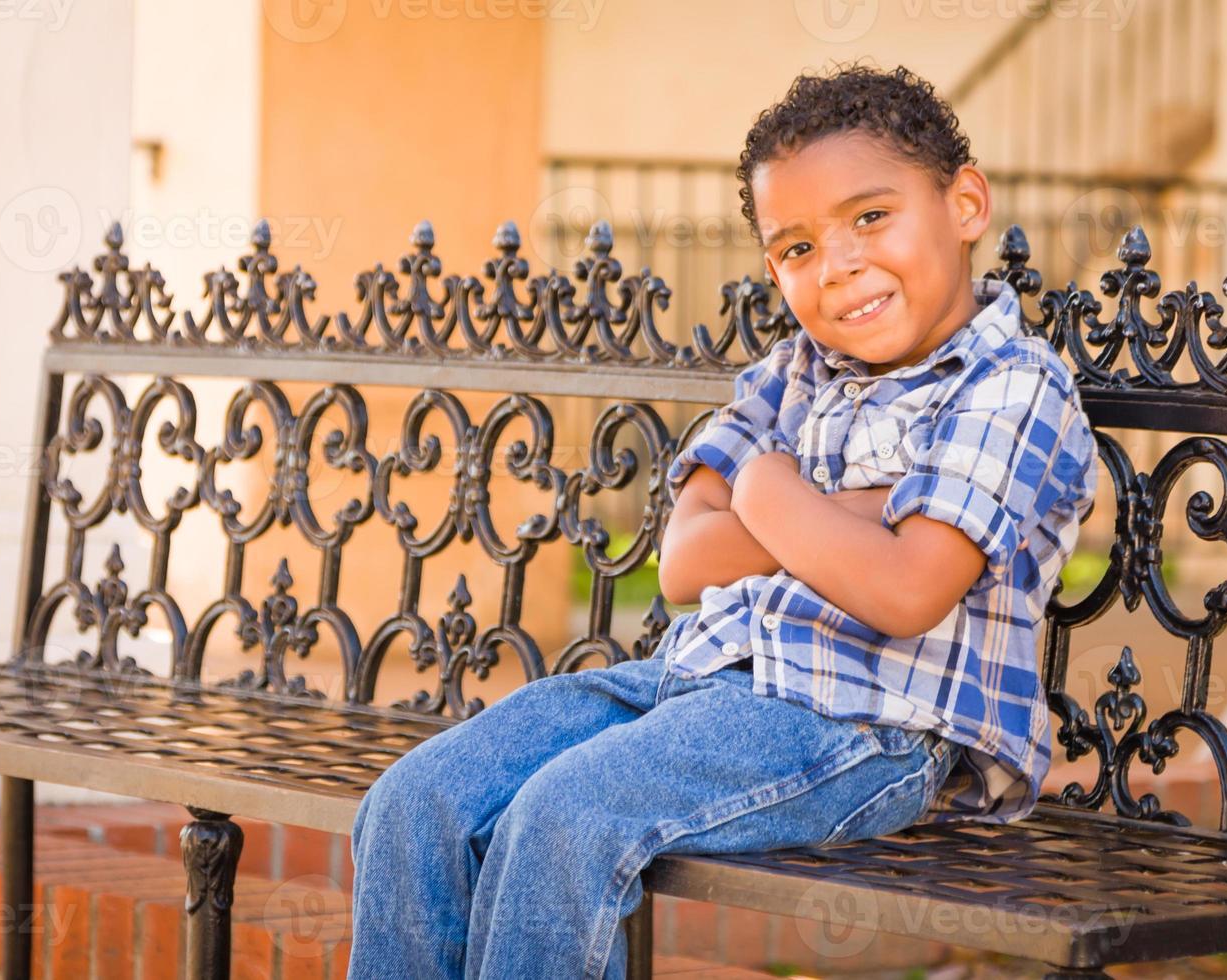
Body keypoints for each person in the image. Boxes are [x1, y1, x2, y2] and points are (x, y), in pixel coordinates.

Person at [348, 59, 1100, 979]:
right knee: (415, 801)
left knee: (567, 818)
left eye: (871, 217)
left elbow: (906, 588)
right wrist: (845, 519)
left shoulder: (1011, 384)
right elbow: (683, 562)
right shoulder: (792, 374)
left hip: (864, 723)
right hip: (692, 681)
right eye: (796, 249)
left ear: (965, 204)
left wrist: (768, 491)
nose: (841, 266)